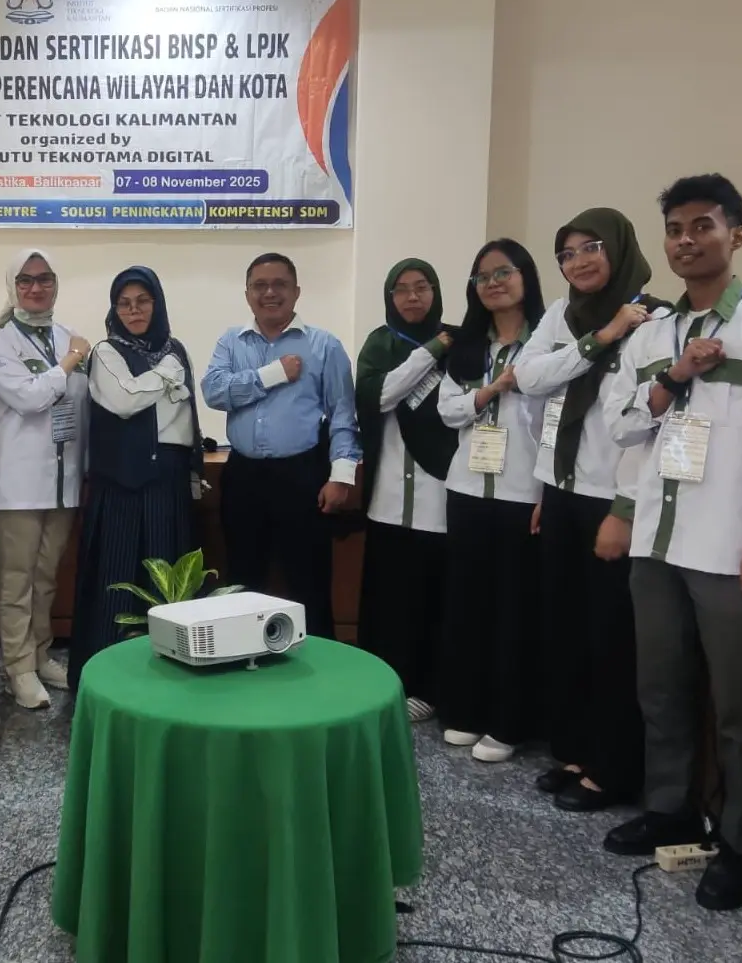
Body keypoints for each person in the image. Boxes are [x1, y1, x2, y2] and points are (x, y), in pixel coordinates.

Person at [602, 174, 742, 911]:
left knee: (738, 705)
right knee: (660, 688)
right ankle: (668, 809)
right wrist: (673, 376)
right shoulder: (652, 334)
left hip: (727, 544)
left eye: (702, 226)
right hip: (657, 542)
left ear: (736, 235)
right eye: (675, 229)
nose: (686, 241)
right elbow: (622, 424)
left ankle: (741, 843)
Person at [514, 209, 670, 813]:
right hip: (561, 492)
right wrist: (600, 338)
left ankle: (613, 768)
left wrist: (624, 510)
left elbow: (651, 429)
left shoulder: (654, 319)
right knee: (567, 631)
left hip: (612, 499)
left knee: (611, 638)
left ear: (620, 248)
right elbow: (529, 378)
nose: (578, 261)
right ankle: (576, 752)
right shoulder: (564, 315)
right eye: (567, 253)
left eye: (592, 247)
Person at [201, 253, 360, 640]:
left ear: (296, 292)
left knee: (309, 582)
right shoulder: (231, 342)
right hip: (243, 475)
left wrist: (341, 477)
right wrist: (272, 374)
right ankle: (243, 659)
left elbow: (343, 415)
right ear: (247, 294)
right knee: (243, 581)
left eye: (279, 284)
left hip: (302, 476)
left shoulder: (324, 345)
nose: (269, 293)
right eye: (260, 285)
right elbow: (213, 392)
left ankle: (321, 667)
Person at [435, 240, 547, 763]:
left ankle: (508, 721)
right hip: (466, 489)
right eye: (483, 277)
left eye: (504, 272)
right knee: (467, 605)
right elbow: (448, 411)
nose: (493, 283)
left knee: (514, 612)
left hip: (522, 491)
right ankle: (466, 709)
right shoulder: (468, 346)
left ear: (526, 276)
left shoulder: (547, 341)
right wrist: (491, 390)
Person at [70, 266, 202, 692]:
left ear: (157, 304)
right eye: (124, 303)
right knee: (118, 580)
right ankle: (107, 683)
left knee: (167, 582)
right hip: (122, 484)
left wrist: (194, 471)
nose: (133, 310)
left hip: (169, 479)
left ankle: (168, 680)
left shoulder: (176, 348)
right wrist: (165, 375)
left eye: (142, 301)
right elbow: (124, 400)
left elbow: (186, 413)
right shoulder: (107, 352)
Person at [0, 249, 91, 710]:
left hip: (63, 479)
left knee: (46, 576)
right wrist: (70, 362)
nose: (36, 288)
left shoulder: (68, 336)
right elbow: (28, 398)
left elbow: (82, 407)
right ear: (13, 287)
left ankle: (42, 654)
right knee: (17, 579)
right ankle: (18, 667)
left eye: (45, 279)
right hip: (16, 480)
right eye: (25, 280)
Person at [354, 259, 459, 722]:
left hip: (441, 490)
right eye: (401, 289)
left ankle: (429, 687)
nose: (412, 297)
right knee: (390, 596)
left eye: (422, 287)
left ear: (435, 292)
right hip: (389, 495)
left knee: (434, 595)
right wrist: (431, 350)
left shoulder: (461, 342)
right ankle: (382, 681)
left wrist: (443, 345)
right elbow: (376, 396)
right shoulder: (381, 343)